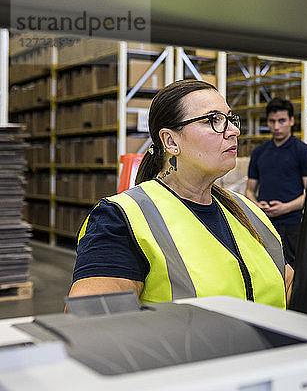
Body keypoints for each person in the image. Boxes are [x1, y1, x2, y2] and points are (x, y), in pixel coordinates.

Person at [68, 80, 292, 308]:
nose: (233, 131)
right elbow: (90, 322)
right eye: (213, 120)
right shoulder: (122, 219)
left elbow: (290, 287)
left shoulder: (248, 212)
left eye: (230, 119)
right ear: (171, 141)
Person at [245, 98, 307, 268]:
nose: (276, 127)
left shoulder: (303, 151)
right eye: (272, 121)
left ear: (291, 121)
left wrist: (285, 208)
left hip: (292, 226)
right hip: (264, 222)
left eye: (281, 121)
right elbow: (249, 190)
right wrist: (257, 206)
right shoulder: (259, 152)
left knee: (294, 271)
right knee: (266, 267)